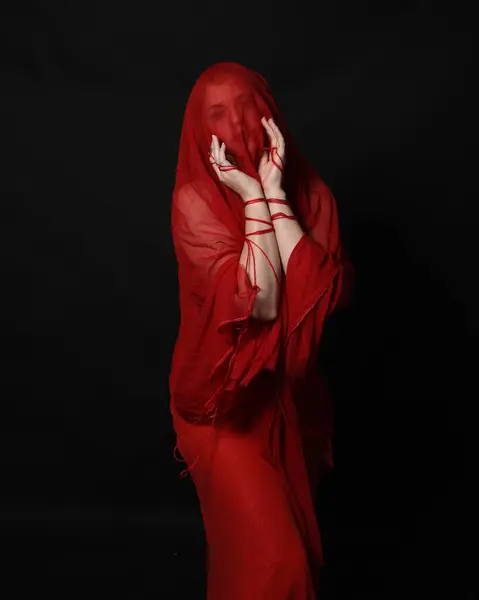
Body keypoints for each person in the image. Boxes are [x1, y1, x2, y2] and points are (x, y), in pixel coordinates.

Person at [169, 62, 353, 599]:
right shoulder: (194, 202)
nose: (237, 124)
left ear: (270, 112)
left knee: (257, 554)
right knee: (276, 562)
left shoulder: (312, 195)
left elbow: (320, 292)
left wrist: (272, 188)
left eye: (247, 107)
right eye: (218, 115)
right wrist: (252, 194)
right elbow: (266, 301)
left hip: (290, 400)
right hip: (222, 408)